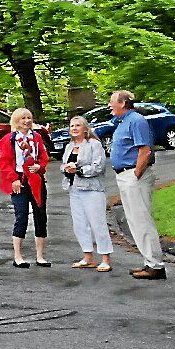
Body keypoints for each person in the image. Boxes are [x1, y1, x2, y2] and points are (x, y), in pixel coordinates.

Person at [109, 90, 166, 280]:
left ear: (123, 103)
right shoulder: (124, 121)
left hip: (134, 175)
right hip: (125, 175)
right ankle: (149, 262)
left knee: (141, 219)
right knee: (135, 220)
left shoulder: (136, 120)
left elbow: (145, 150)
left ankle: (155, 265)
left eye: (112, 102)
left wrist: (136, 175)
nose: (109, 106)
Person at [0, 107, 50, 268]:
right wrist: (13, 179)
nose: (27, 121)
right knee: (21, 216)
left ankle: (40, 256)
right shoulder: (9, 139)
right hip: (19, 181)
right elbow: (4, 162)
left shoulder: (37, 137)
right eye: (23, 118)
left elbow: (43, 157)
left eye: (29, 117)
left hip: (36, 180)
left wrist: (40, 167)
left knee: (40, 216)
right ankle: (18, 256)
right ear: (16, 121)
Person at [60, 116, 112, 272]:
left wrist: (79, 169)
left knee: (97, 223)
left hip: (92, 189)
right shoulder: (69, 146)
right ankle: (88, 256)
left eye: (78, 125)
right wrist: (66, 168)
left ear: (85, 129)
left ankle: (105, 258)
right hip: (74, 188)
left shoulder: (94, 145)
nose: (74, 128)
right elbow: (63, 164)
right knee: (80, 224)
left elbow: (99, 166)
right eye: (72, 126)